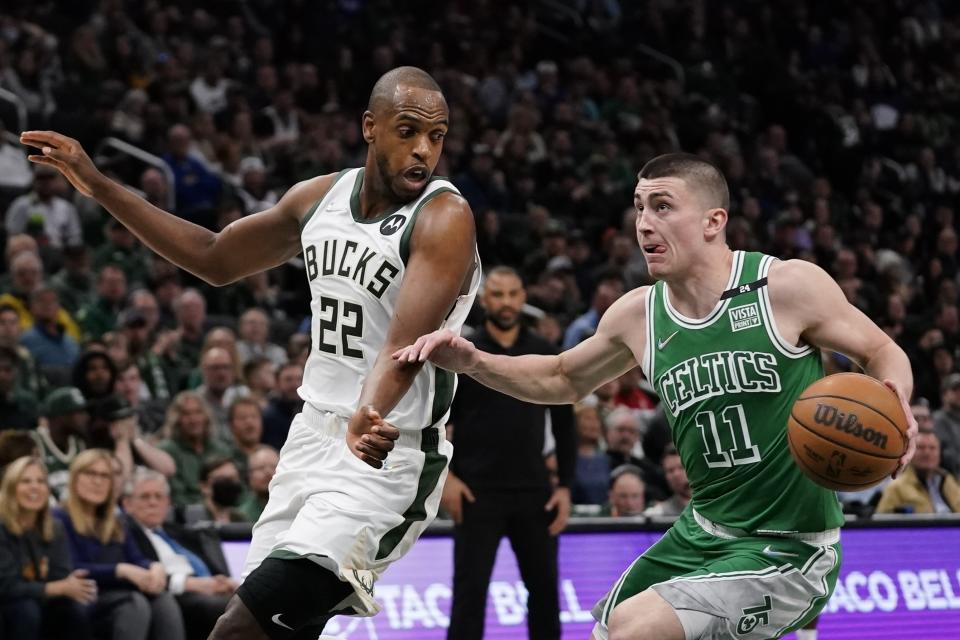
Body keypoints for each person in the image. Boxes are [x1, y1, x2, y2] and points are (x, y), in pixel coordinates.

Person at [22, 65, 480, 639]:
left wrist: (370, 409)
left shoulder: (444, 216)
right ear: (370, 127)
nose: (423, 150)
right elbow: (215, 258)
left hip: (383, 454)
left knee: (239, 630)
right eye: (408, 130)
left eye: (436, 137)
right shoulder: (318, 199)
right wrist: (99, 185)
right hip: (311, 438)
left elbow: (401, 347)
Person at [394, 153, 918, 640]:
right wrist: (474, 361)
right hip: (704, 532)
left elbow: (880, 350)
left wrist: (894, 405)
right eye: (639, 208)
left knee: (634, 630)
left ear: (714, 221)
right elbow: (560, 377)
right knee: (609, 629)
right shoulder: (638, 315)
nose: (644, 223)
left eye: (663, 207)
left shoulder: (784, 287)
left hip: (791, 546)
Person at [442, 266, 575, 640]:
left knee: (545, 592)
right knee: (469, 594)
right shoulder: (462, 352)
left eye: (513, 294)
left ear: (523, 297)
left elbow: (566, 423)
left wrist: (565, 485)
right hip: (475, 492)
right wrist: (445, 478)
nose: (506, 302)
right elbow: (433, 420)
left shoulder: (545, 351)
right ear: (485, 300)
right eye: (497, 294)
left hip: (535, 491)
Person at [55, 448, 186, 640]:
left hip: (118, 592)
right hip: (86, 595)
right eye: (91, 473)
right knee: (134, 603)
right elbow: (72, 566)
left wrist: (153, 567)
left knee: (163, 600)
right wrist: (120, 570)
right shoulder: (59, 518)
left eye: (105, 476)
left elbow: (136, 558)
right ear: (75, 478)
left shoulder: (116, 521)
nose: (98, 481)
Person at [123, 468, 237, 640]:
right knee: (227, 609)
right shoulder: (125, 534)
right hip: (171, 594)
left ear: (168, 502)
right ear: (127, 504)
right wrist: (189, 584)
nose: (153, 503)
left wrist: (221, 580)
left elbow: (208, 564)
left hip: (207, 588)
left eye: (158, 497)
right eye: (145, 497)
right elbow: (140, 572)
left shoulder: (180, 532)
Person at [0, 456, 95, 640]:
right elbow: (6, 587)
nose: (34, 487)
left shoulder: (55, 527)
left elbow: (61, 574)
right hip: (9, 602)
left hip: (39, 599)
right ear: (11, 488)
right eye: (25, 481)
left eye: (40, 481)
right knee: (26, 610)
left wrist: (70, 584)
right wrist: (56, 588)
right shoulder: (1, 528)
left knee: (73, 610)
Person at [158, 391, 233, 508]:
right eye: (186, 414)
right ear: (177, 419)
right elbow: (176, 495)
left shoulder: (221, 450)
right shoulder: (167, 451)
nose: (193, 419)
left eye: (198, 412)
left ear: (206, 416)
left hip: (225, 511)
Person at [875, 429, 960, 514]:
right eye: (921, 448)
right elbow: (881, 522)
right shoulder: (896, 488)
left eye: (932, 448)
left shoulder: (948, 480)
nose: (927, 453)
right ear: (909, 452)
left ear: (939, 453)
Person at [643, 445, 691, 517]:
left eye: (681, 467)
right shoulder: (656, 514)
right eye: (670, 471)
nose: (676, 474)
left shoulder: (712, 505)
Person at [237, 446, 280, 522]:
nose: (268, 472)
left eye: (273, 467)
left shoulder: (297, 506)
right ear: (249, 476)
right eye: (261, 468)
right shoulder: (242, 516)